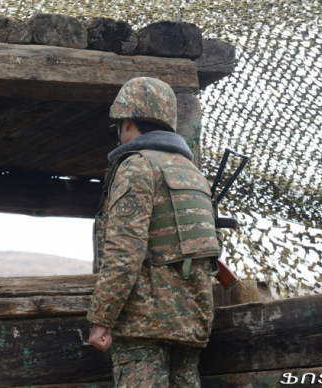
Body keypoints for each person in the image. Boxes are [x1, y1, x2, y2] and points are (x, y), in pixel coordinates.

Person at [87, 77, 221, 387]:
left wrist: (102, 318)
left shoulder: (137, 166)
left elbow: (124, 253)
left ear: (128, 121)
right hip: (191, 325)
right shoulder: (194, 175)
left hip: (143, 329)